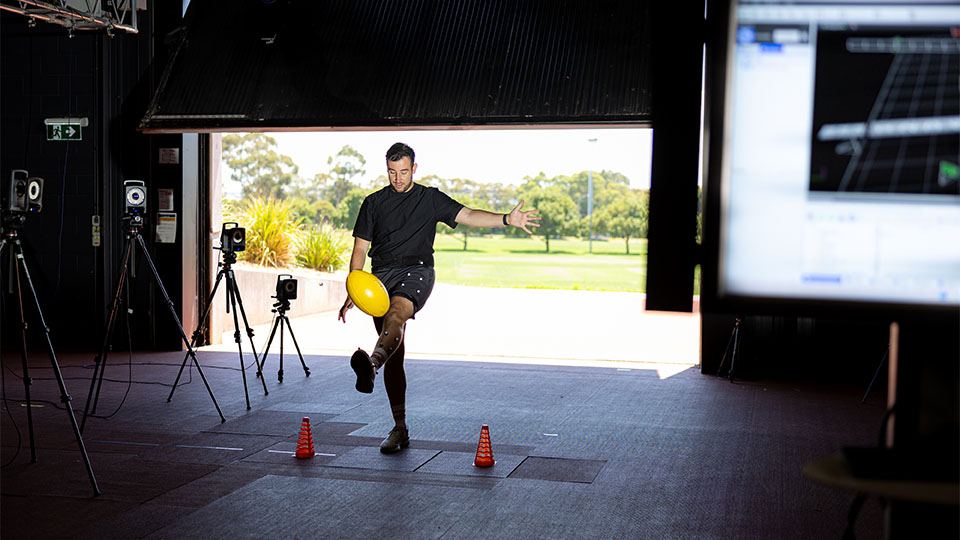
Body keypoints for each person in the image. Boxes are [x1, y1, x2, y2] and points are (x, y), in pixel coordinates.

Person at [338, 142, 541, 453]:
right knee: (395, 352)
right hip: (380, 277)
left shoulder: (429, 198)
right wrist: (354, 287)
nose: (398, 178)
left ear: (414, 168)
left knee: (396, 315)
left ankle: (371, 365)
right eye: (392, 172)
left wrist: (506, 219)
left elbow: (469, 214)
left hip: (417, 271)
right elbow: (360, 250)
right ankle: (399, 427)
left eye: (404, 172)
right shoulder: (373, 203)